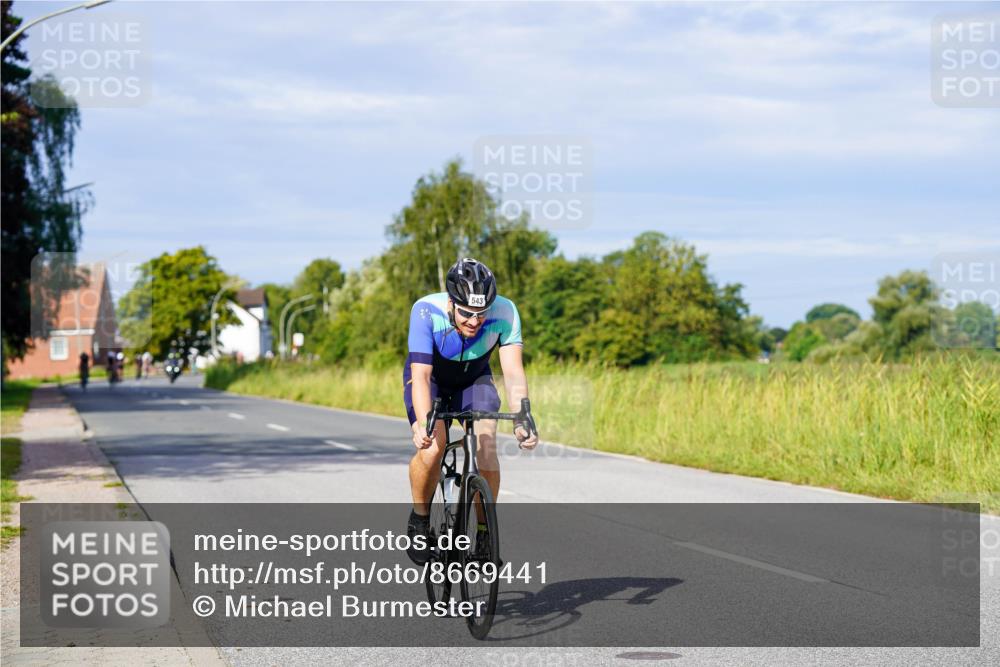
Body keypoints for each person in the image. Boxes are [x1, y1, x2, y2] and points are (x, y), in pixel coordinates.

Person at [403, 257, 538, 564]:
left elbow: (513, 373)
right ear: (451, 303)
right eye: (466, 313)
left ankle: (484, 533)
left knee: (485, 447)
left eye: (481, 313)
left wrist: (522, 418)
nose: (474, 322)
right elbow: (421, 376)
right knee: (432, 447)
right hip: (432, 380)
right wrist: (423, 424)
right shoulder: (425, 310)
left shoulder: (506, 311)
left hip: (474, 380)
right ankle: (420, 520)